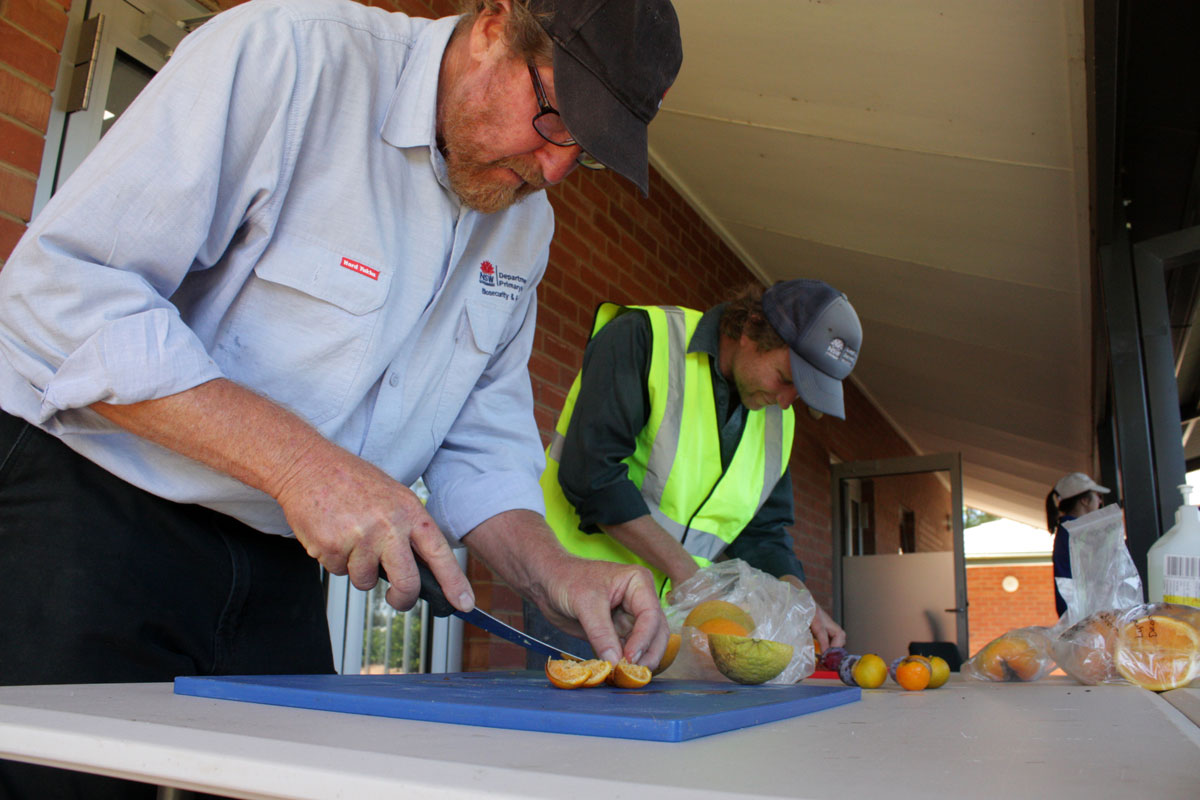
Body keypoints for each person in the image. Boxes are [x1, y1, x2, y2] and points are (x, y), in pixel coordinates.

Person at [0, 0, 681, 796]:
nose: (555, 170)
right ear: (495, 24)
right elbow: (62, 296)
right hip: (92, 513)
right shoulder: (287, 57)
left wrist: (555, 573)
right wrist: (303, 468)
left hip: (278, 561)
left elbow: (480, 447)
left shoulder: (524, 226)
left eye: (588, 154)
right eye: (557, 117)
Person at [524, 279, 861, 666]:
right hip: (584, 589)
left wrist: (800, 601)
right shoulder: (645, 338)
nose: (786, 403)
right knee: (569, 723)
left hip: (672, 618)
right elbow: (592, 475)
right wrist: (691, 577)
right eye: (785, 379)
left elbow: (763, 533)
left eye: (799, 394)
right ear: (752, 329)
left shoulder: (777, 421)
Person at [1046, 472, 1110, 616]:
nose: (1099, 502)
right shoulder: (1079, 533)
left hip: (1075, 615)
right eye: (1097, 496)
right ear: (1085, 501)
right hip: (1083, 617)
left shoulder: (1067, 530)